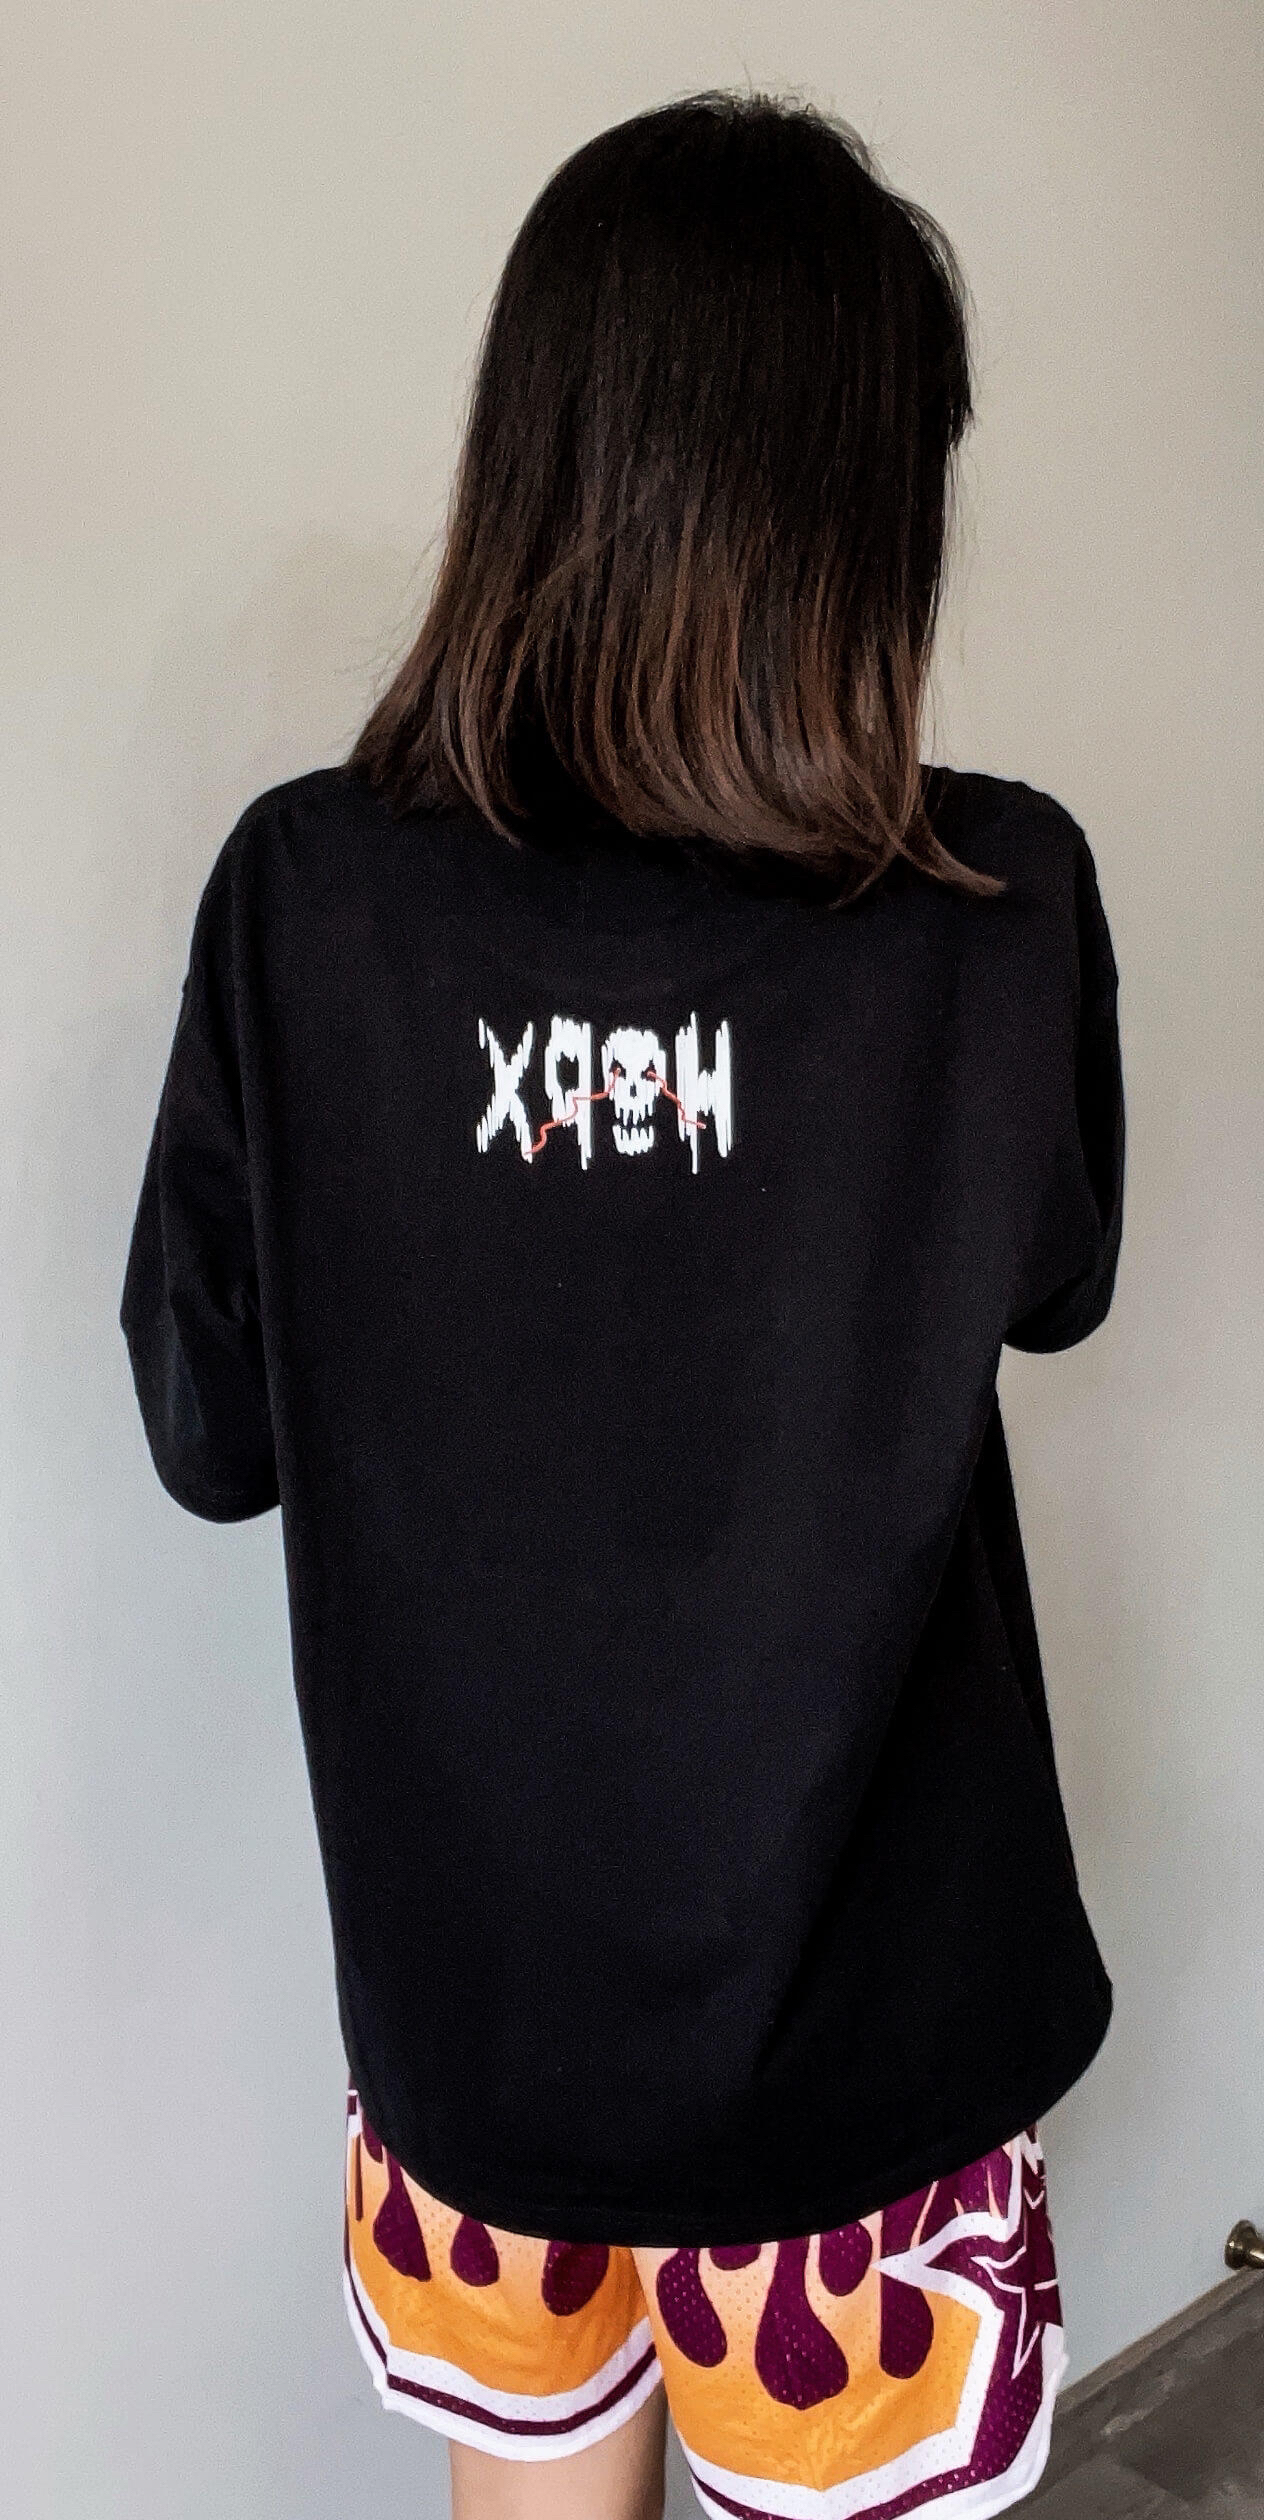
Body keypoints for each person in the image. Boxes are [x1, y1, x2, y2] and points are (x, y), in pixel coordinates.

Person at [120, 89, 1125, 2520]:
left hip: (480, 2049)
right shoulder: (988, 912)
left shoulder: (306, 900)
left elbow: (211, 1433)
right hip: (863, 2086)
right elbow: (1055, 1283)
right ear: (859, 517)